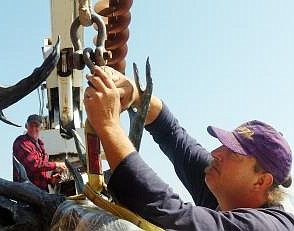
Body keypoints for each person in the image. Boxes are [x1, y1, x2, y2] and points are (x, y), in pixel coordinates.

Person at [84, 66, 294, 230]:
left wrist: (109, 125)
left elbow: (172, 215)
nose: (215, 153)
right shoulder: (224, 189)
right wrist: (137, 96)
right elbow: (173, 135)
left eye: (233, 153)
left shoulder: (269, 226)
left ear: (261, 181)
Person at [13, 114, 67, 192]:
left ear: (41, 127)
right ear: (26, 126)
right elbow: (34, 165)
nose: (33, 128)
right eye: (31, 125)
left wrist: (51, 180)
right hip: (27, 192)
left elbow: (38, 172)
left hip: (40, 192)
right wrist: (57, 164)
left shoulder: (40, 145)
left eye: (36, 126)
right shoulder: (21, 142)